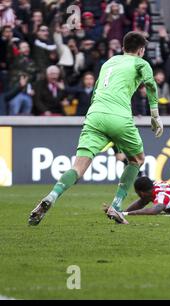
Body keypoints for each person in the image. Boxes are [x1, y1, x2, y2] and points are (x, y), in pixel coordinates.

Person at [28, 32, 163, 226]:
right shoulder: (141, 63)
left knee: (78, 167)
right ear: (141, 50)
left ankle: (51, 196)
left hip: (94, 115)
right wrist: (155, 115)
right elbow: (150, 84)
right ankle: (116, 206)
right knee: (137, 159)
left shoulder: (108, 63)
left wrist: (92, 117)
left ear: (123, 48)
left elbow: (96, 91)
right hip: (119, 117)